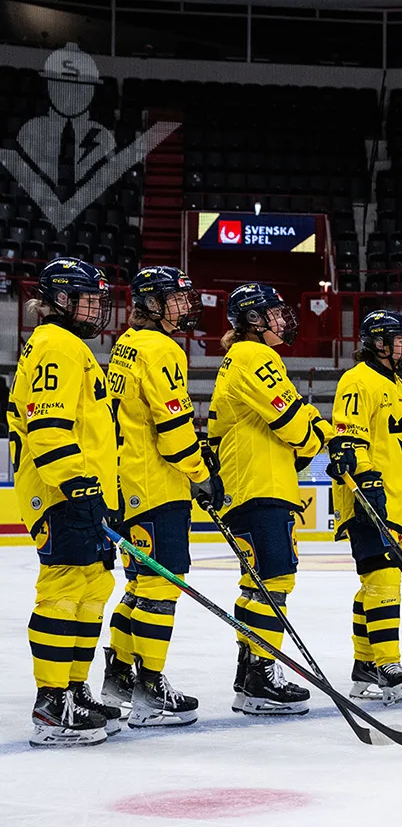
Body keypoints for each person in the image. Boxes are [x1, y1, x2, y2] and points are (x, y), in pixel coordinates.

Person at [209, 283, 332, 715]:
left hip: (248, 483)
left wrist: (314, 428)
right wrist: (319, 434)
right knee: (275, 580)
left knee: (255, 584)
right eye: (275, 313)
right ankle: (262, 673)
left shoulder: (239, 358)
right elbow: (294, 425)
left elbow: (294, 413)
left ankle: (249, 674)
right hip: (261, 485)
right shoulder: (255, 356)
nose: (284, 320)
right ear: (253, 320)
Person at [102, 266, 215, 728]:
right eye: (175, 299)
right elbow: (172, 429)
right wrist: (201, 473)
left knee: (139, 586)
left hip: (127, 481)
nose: (185, 307)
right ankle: (151, 690)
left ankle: (119, 679)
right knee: (161, 586)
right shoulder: (161, 348)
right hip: (157, 484)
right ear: (151, 303)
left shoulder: (126, 344)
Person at [13, 259, 119, 746]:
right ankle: (51, 704)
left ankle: (74, 689)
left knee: (91, 589)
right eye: (87, 299)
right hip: (63, 492)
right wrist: (76, 483)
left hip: (85, 491)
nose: (96, 308)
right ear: (59, 300)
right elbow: (47, 426)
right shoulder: (56, 345)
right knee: (63, 589)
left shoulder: (70, 345)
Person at [328, 310, 402, 704]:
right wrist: (367, 484)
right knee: (384, 581)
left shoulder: (397, 384)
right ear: (377, 342)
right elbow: (348, 438)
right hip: (367, 497)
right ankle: (387, 662)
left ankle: (364, 664)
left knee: (374, 583)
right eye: (398, 339)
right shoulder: (357, 380)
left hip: (395, 502)